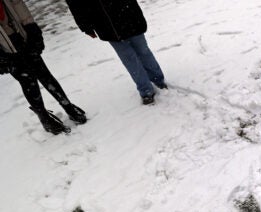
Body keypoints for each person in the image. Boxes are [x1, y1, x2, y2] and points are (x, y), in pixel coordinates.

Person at [1, 0, 87, 135]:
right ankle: (44, 118)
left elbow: (19, 5)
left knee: (44, 74)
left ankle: (68, 106)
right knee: (28, 82)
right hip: (4, 48)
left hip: (21, 35)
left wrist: (32, 28)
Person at [64, 0, 166, 105]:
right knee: (129, 59)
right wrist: (86, 27)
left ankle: (158, 80)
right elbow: (75, 5)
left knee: (143, 51)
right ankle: (146, 90)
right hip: (106, 24)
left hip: (129, 15)